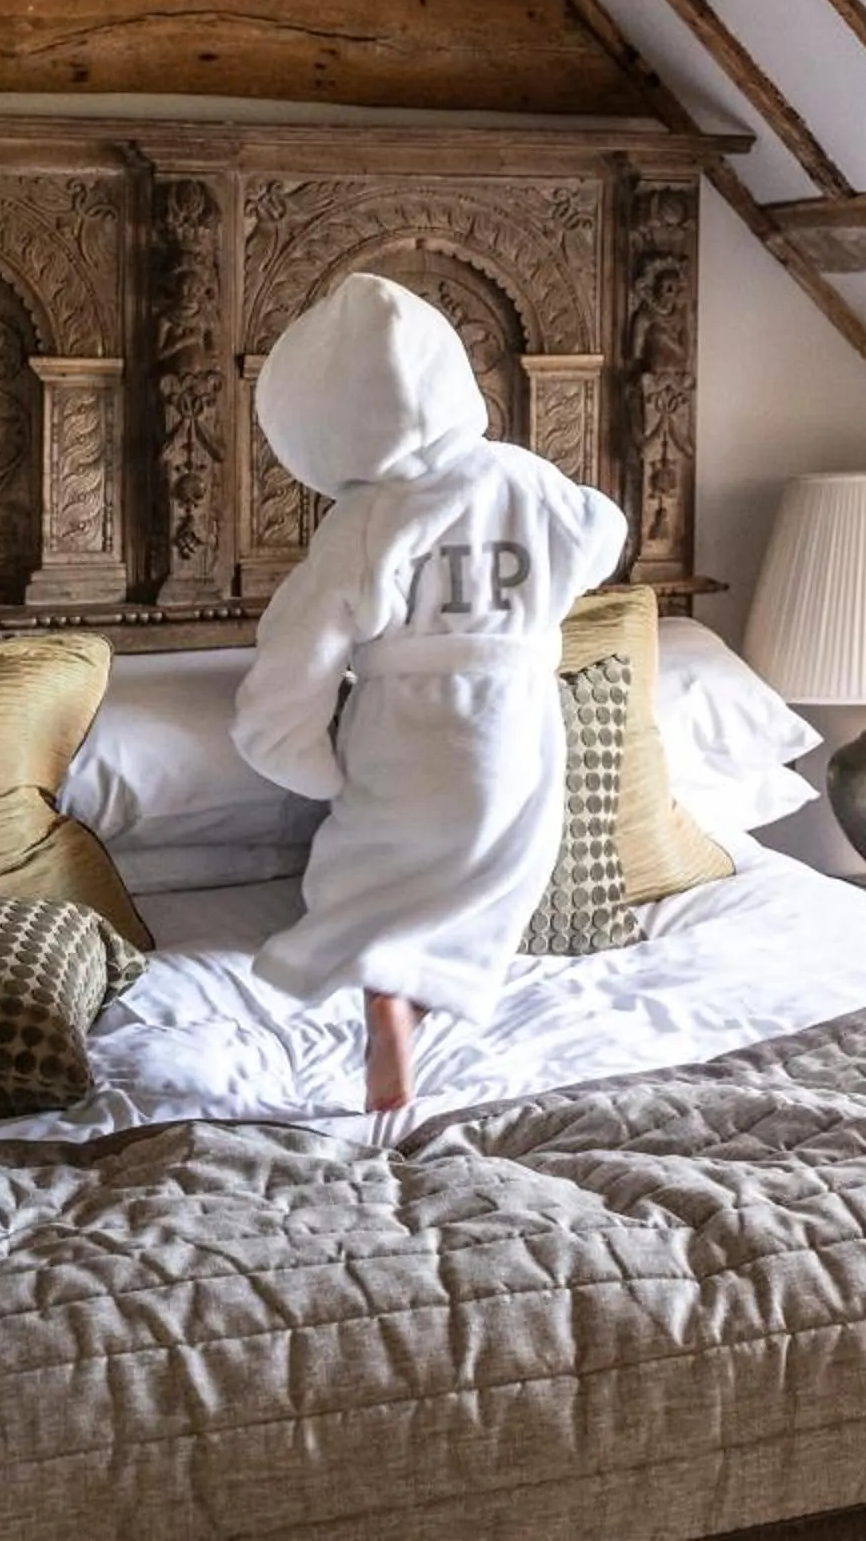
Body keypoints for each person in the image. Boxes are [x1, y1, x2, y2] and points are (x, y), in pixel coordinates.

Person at [233, 273, 629, 1116]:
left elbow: (298, 650)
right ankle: (418, 992)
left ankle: (386, 991)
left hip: (405, 724)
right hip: (516, 723)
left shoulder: (364, 522)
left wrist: (299, 754)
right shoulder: (524, 478)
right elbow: (603, 535)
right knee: (497, 867)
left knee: (372, 870)